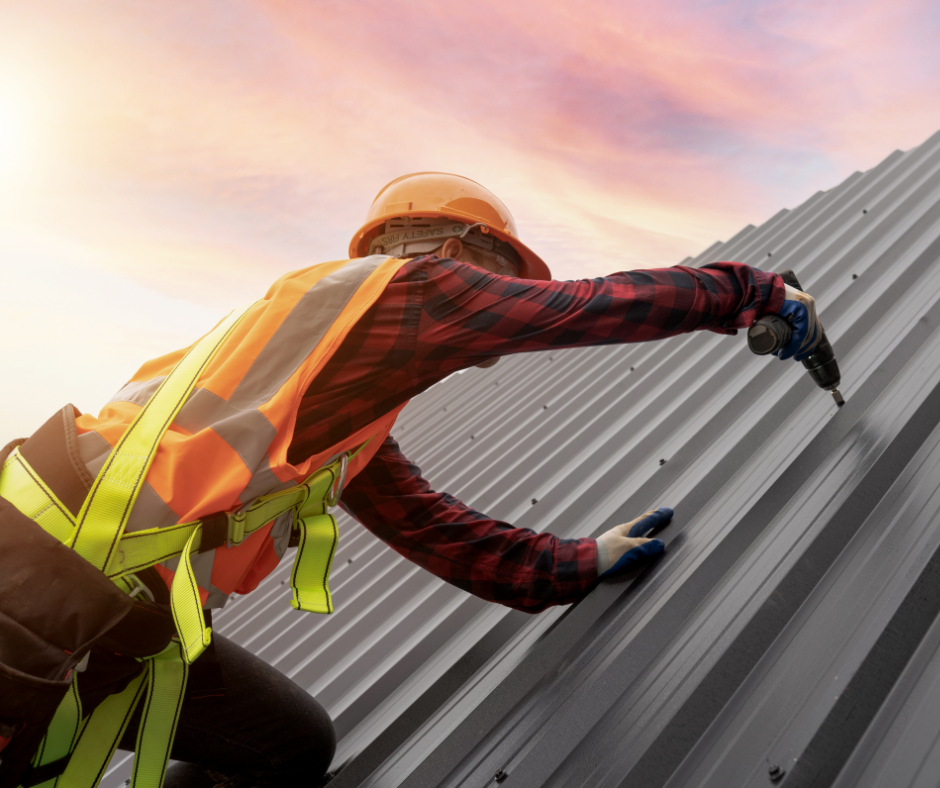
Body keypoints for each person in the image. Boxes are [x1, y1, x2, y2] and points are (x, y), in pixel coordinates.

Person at [0, 173, 821, 788]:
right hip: (33, 589)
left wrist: (573, 564)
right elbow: (581, 307)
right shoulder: (411, 288)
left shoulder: (329, 387)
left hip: (108, 613)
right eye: (503, 269)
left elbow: (427, 525)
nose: (509, 291)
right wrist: (751, 293)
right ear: (455, 251)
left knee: (287, 748)